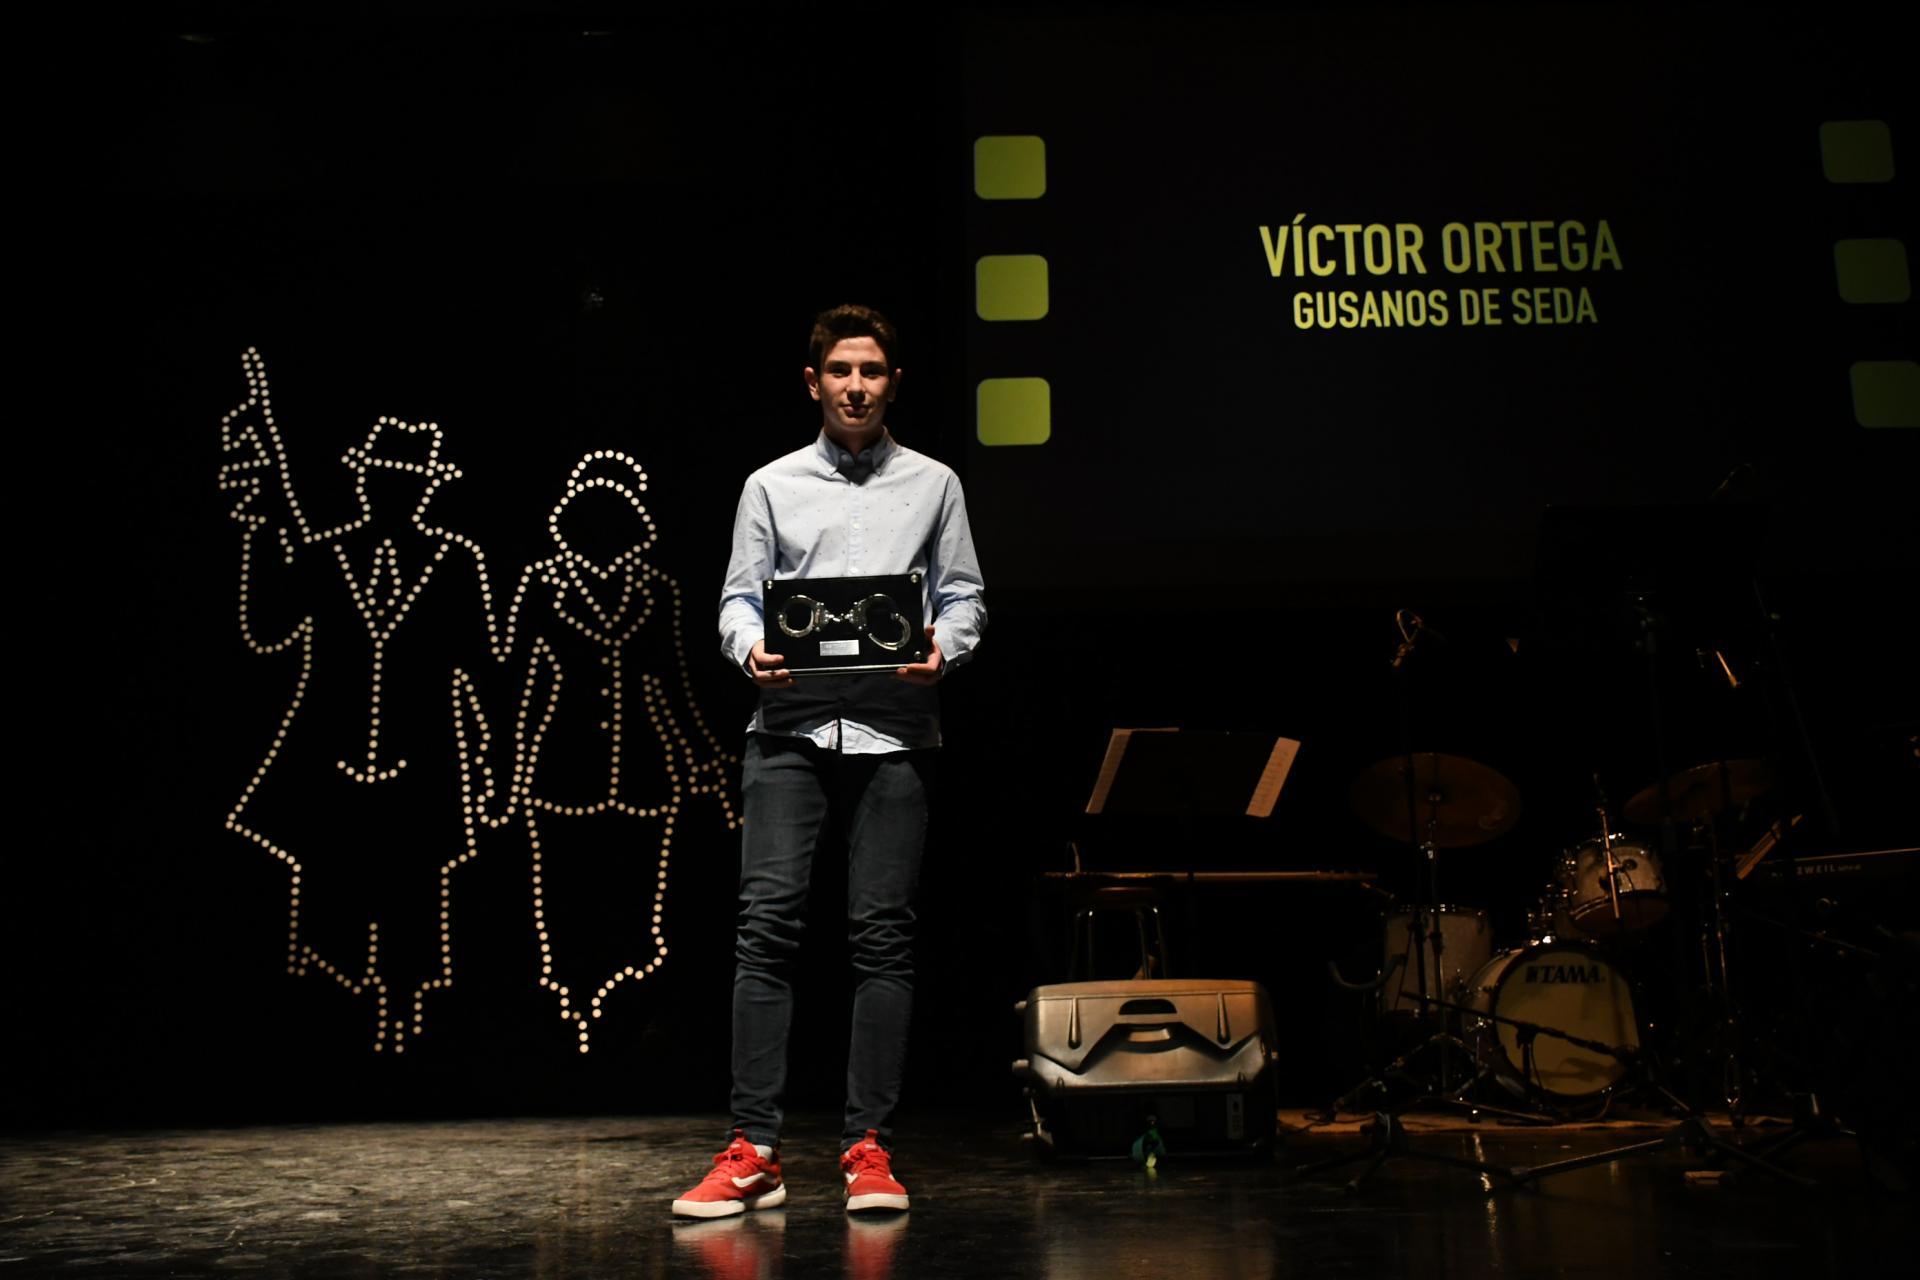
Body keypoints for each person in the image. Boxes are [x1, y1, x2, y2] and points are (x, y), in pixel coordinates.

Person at [671, 304, 986, 1217]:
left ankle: (867, 1146)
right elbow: (737, 601)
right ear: (814, 382)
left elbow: (965, 597)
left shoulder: (935, 484)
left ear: (894, 383)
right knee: (765, 928)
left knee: (881, 934)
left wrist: (946, 647)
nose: (856, 386)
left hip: (896, 731)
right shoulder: (770, 486)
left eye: (872, 371)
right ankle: (754, 1149)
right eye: (841, 371)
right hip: (790, 729)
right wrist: (749, 649)